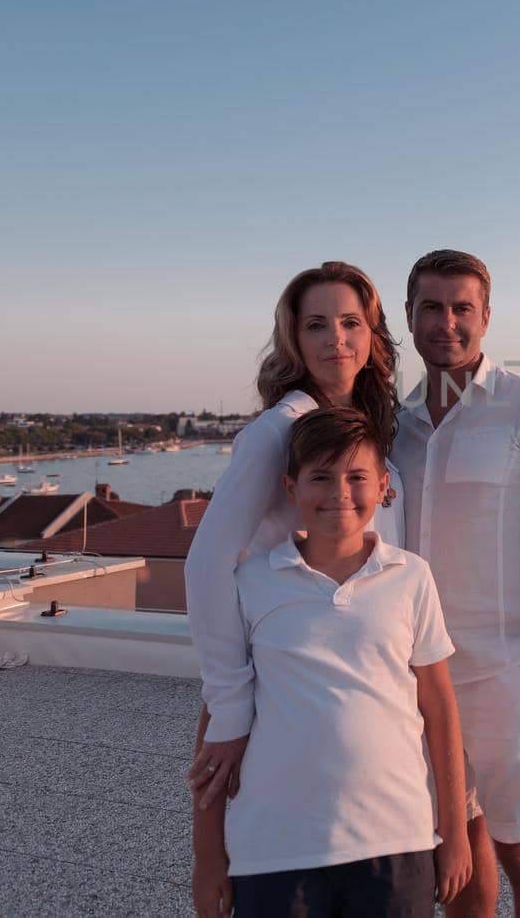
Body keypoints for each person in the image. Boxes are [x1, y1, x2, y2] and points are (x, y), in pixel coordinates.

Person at [190, 407, 470, 917]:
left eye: (357, 476)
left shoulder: (411, 578)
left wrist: (454, 833)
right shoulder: (252, 582)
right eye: (320, 476)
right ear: (290, 487)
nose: (340, 491)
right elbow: (220, 708)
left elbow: (440, 708)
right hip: (274, 850)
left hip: (396, 842)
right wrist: (208, 856)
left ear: (384, 487)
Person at [392, 249, 520, 918]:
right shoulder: (399, 426)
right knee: (457, 839)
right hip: (419, 676)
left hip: (508, 672)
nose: (446, 322)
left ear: (485, 316)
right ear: (409, 315)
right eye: (431, 306)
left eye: (461, 308)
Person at [185, 261, 404, 810]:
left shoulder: (364, 426)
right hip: (284, 672)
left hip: (360, 669)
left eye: (351, 322)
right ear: (294, 339)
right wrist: (230, 704)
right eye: (316, 325)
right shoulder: (276, 432)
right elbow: (207, 564)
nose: (337, 338)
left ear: (371, 333)